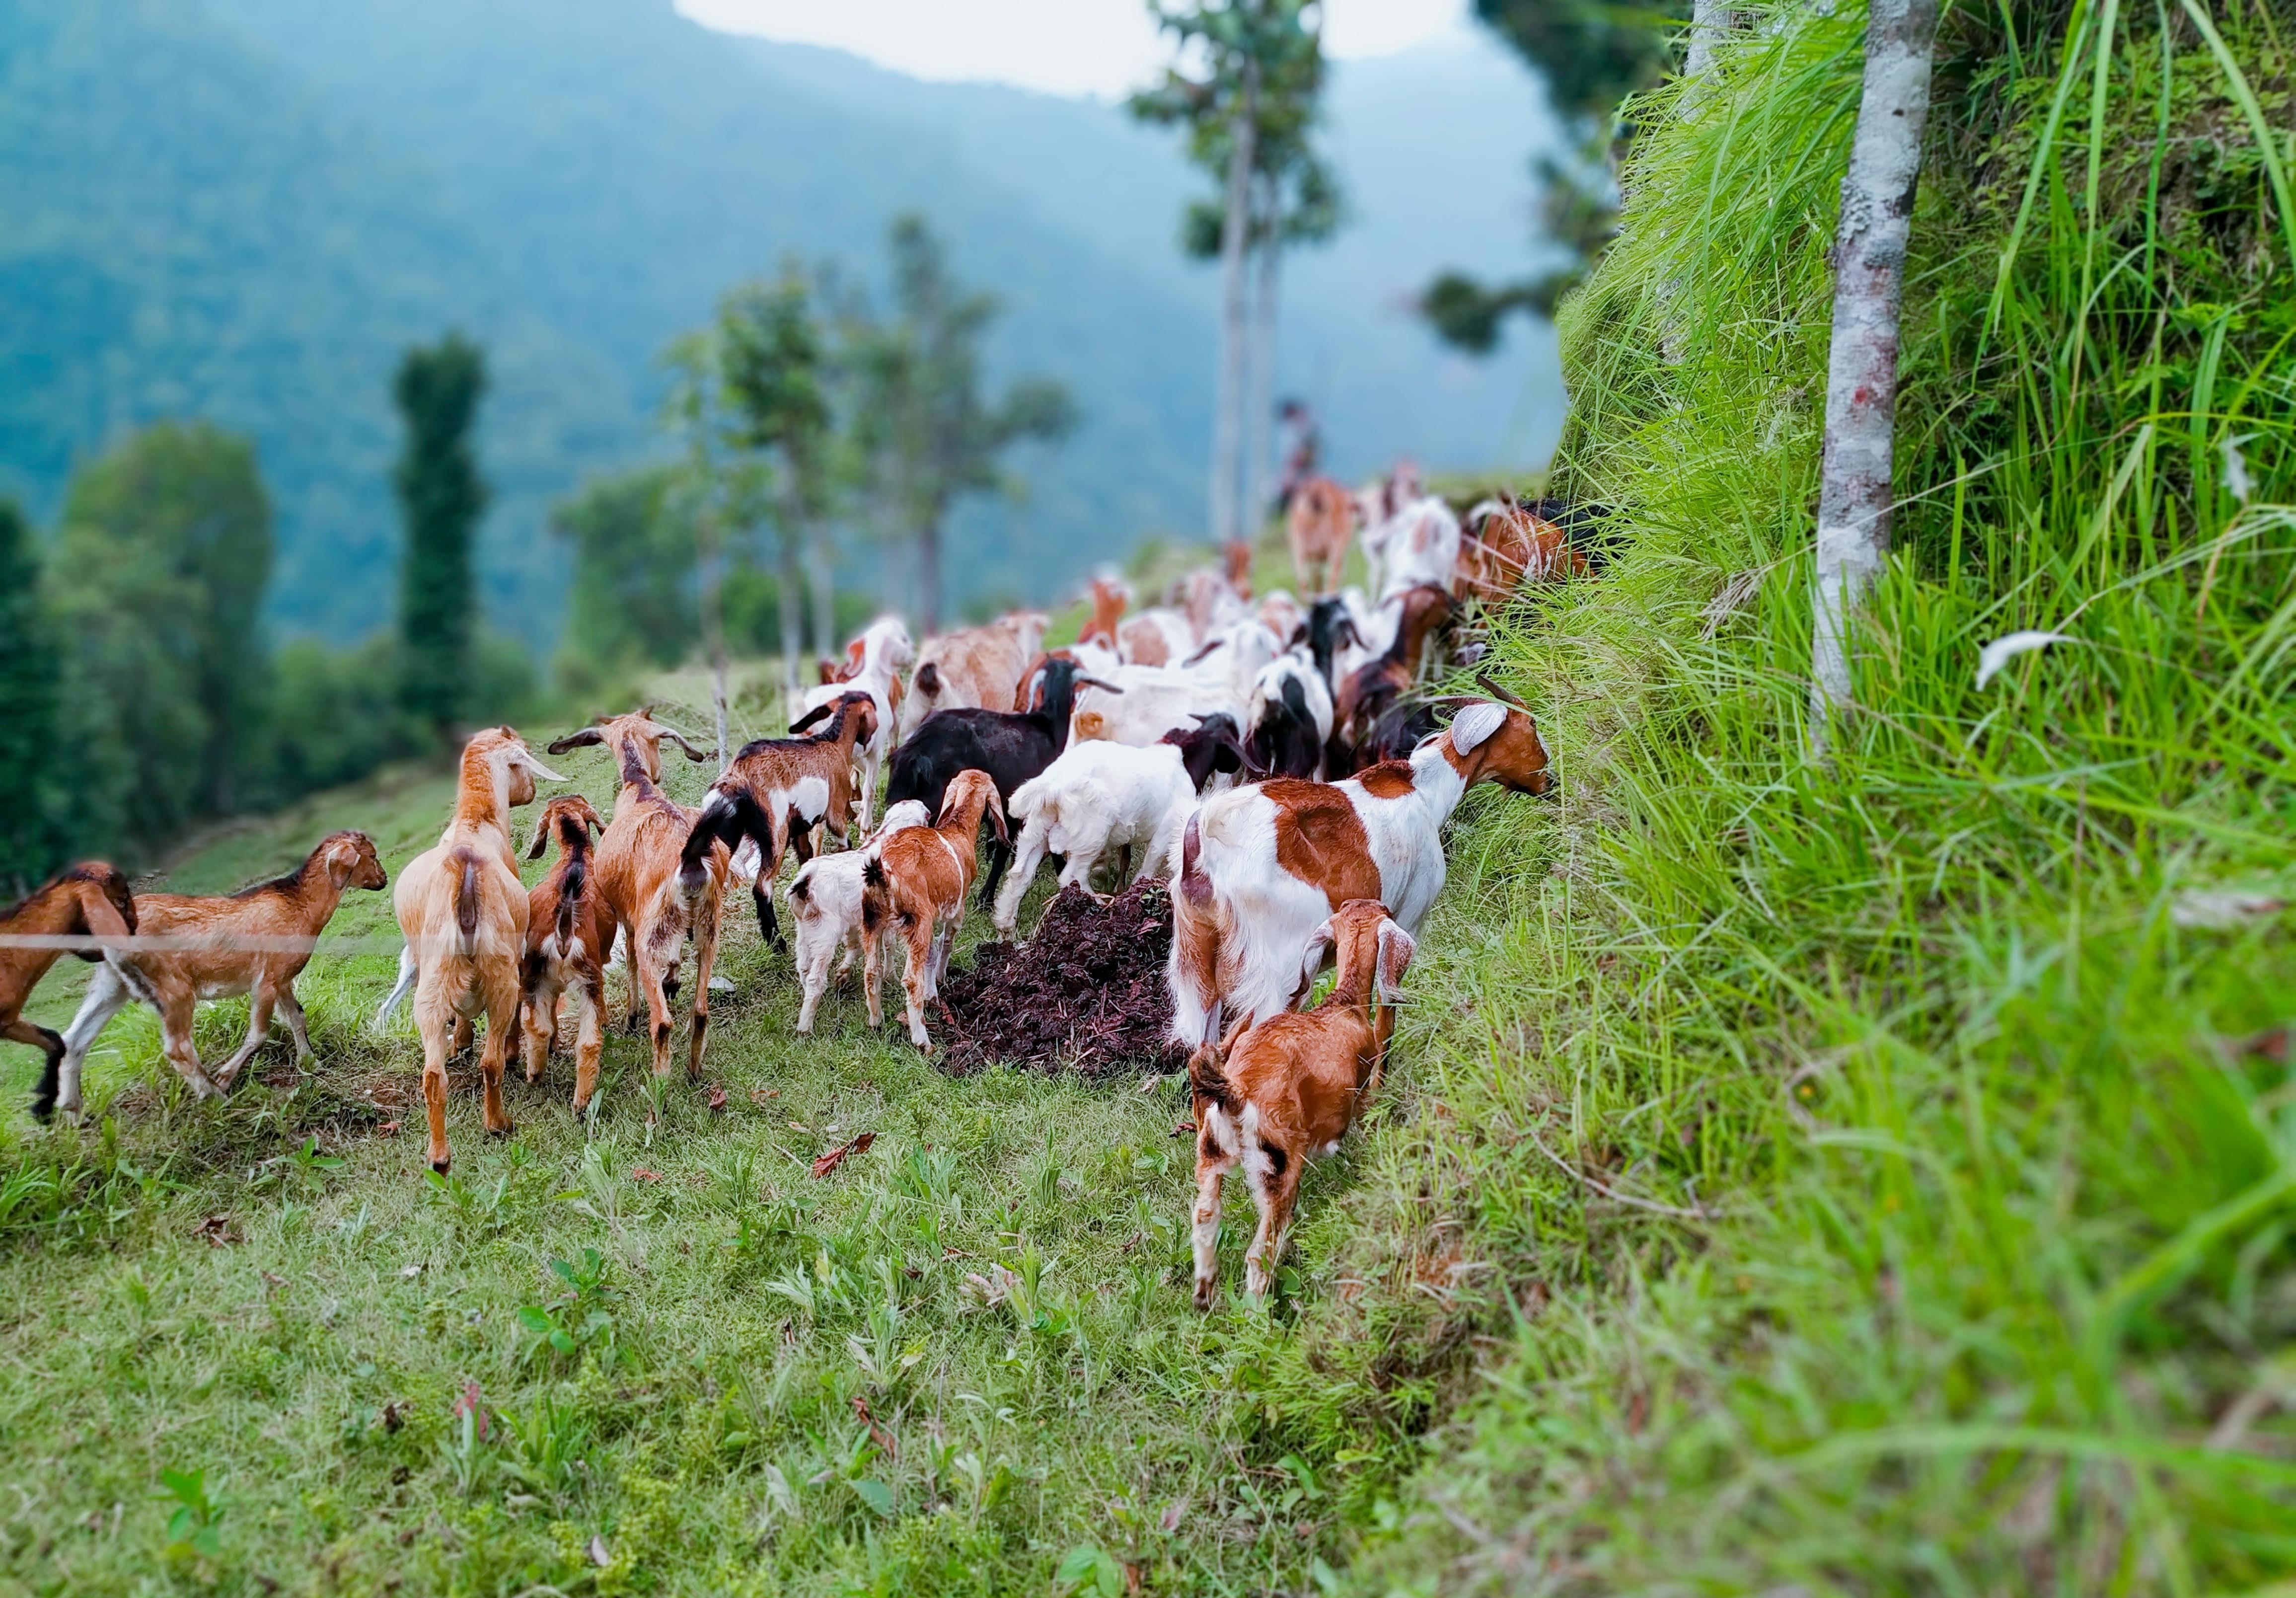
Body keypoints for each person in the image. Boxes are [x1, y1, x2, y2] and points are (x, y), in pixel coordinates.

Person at [1274, 397, 1322, 512]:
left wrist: (1289, 476)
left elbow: (1298, 458)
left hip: (1301, 476)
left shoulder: (1301, 434)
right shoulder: (1301, 432)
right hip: (1302, 474)